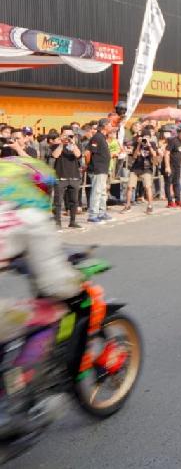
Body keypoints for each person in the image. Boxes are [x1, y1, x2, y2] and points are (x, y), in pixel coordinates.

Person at [0, 157, 82, 437]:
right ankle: (9, 409)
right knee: (49, 313)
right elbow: (57, 283)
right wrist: (75, 284)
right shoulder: (30, 215)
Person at [50, 126, 82, 229]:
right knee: (58, 201)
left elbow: (78, 155)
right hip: (61, 177)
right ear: (61, 135)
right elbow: (55, 155)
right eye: (66, 135)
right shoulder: (56, 145)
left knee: (74, 201)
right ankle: (57, 222)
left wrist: (72, 144)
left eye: (70, 135)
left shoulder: (75, 145)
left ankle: (72, 221)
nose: (68, 137)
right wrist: (61, 144)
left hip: (74, 177)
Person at [122, 129, 157, 214]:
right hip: (135, 168)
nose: (146, 139)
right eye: (144, 137)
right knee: (130, 187)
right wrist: (139, 145)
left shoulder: (152, 144)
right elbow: (134, 156)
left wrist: (148, 145)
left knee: (148, 187)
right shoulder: (136, 143)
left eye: (148, 137)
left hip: (147, 168)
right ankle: (128, 205)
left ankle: (150, 206)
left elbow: (154, 155)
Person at [84, 118, 112, 224]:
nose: (111, 126)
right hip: (97, 169)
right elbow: (88, 153)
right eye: (109, 124)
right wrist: (88, 165)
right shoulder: (97, 137)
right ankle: (93, 215)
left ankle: (101, 212)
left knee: (103, 192)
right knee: (97, 192)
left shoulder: (103, 137)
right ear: (104, 126)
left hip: (103, 169)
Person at [164, 125, 181, 208]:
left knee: (177, 183)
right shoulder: (173, 141)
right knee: (168, 183)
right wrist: (167, 167)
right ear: (179, 133)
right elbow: (166, 153)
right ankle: (170, 202)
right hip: (170, 164)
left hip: (177, 166)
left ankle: (178, 200)